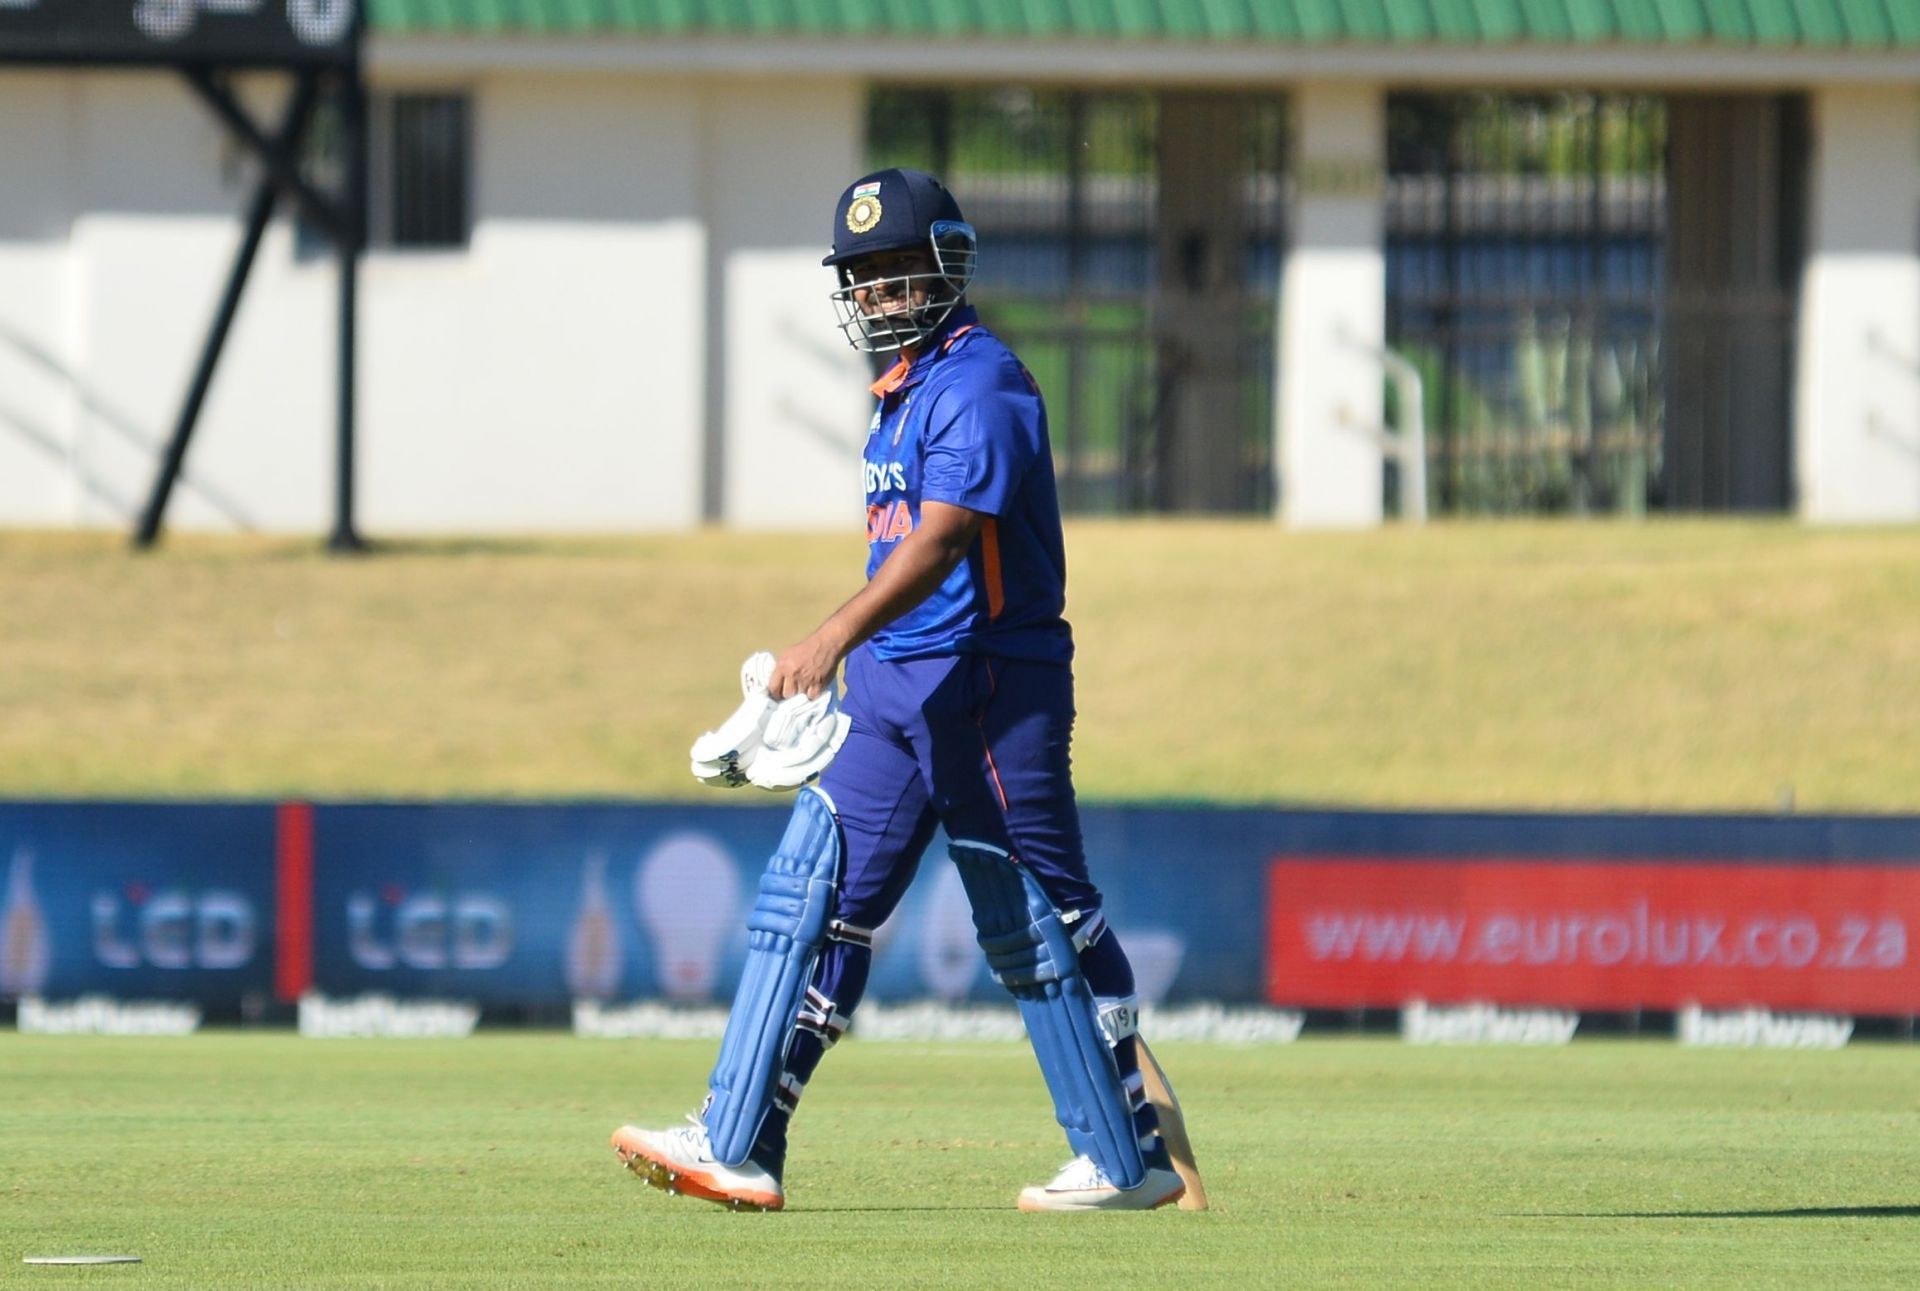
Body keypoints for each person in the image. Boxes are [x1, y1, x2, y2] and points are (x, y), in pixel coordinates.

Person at [612, 168, 1183, 1214]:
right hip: (892, 689)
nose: (877, 292)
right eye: (861, 276)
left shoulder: (984, 383)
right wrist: (844, 662)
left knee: (1039, 919)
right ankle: (737, 1138)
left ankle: (1123, 1152)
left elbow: (945, 537)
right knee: (807, 896)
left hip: (987, 683)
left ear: (946, 268)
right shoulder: (901, 394)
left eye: (895, 269)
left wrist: (831, 632)